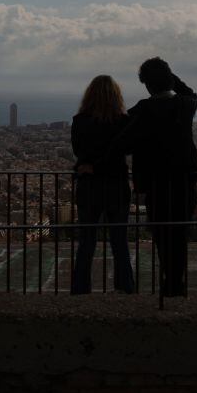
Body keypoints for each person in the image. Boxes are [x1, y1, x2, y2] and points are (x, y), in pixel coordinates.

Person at [109, 58, 197, 297]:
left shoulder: (143, 111)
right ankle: (175, 286)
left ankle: (168, 285)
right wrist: (170, 76)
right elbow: (191, 93)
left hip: (156, 183)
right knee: (179, 235)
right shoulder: (186, 105)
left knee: (162, 234)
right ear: (169, 80)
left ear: (147, 85)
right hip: (184, 181)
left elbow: (121, 143)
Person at [69, 75, 135, 295]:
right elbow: (125, 151)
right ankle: (125, 291)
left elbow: (79, 151)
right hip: (117, 185)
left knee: (86, 243)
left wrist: (92, 167)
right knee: (120, 243)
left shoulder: (79, 121)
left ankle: (80, 292)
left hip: (89, 187)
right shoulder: (123, 122)